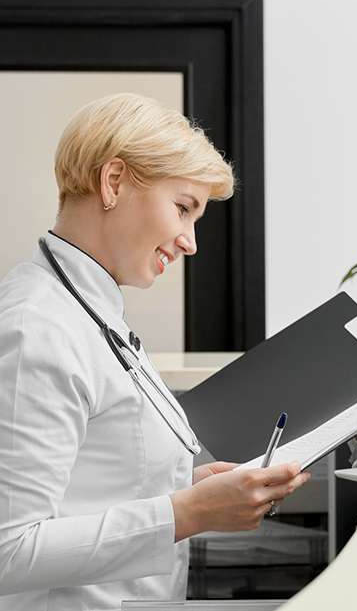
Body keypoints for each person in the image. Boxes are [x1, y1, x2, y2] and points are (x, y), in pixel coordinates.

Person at [0, 93, 311, 610]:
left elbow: (86, 483)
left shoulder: (90, 311)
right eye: (183, 208)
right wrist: (186, 512)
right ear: (114, 182)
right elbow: (8, 550)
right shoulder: (37, 327)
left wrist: (188, 487)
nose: (190, 242)